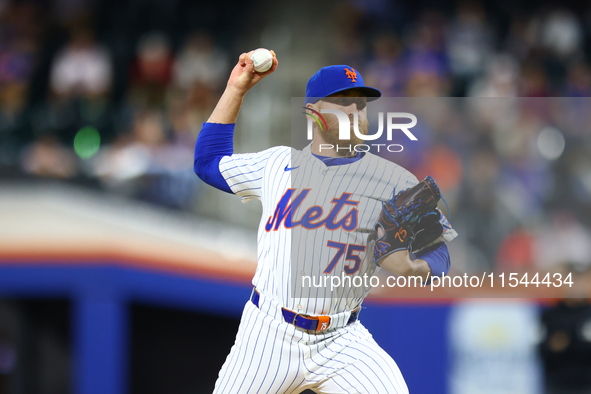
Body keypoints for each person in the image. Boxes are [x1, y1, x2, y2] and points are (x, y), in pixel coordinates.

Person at [194, 49, 457, 394]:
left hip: (341, 339)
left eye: (361, 105)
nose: (355, 112)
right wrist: (235, 89)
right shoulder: (277, 164)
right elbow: (208, 162)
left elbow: (439, 249)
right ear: (313, 112)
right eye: (342, 102)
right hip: (268, 330)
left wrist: (414, 268)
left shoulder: (394, 183)